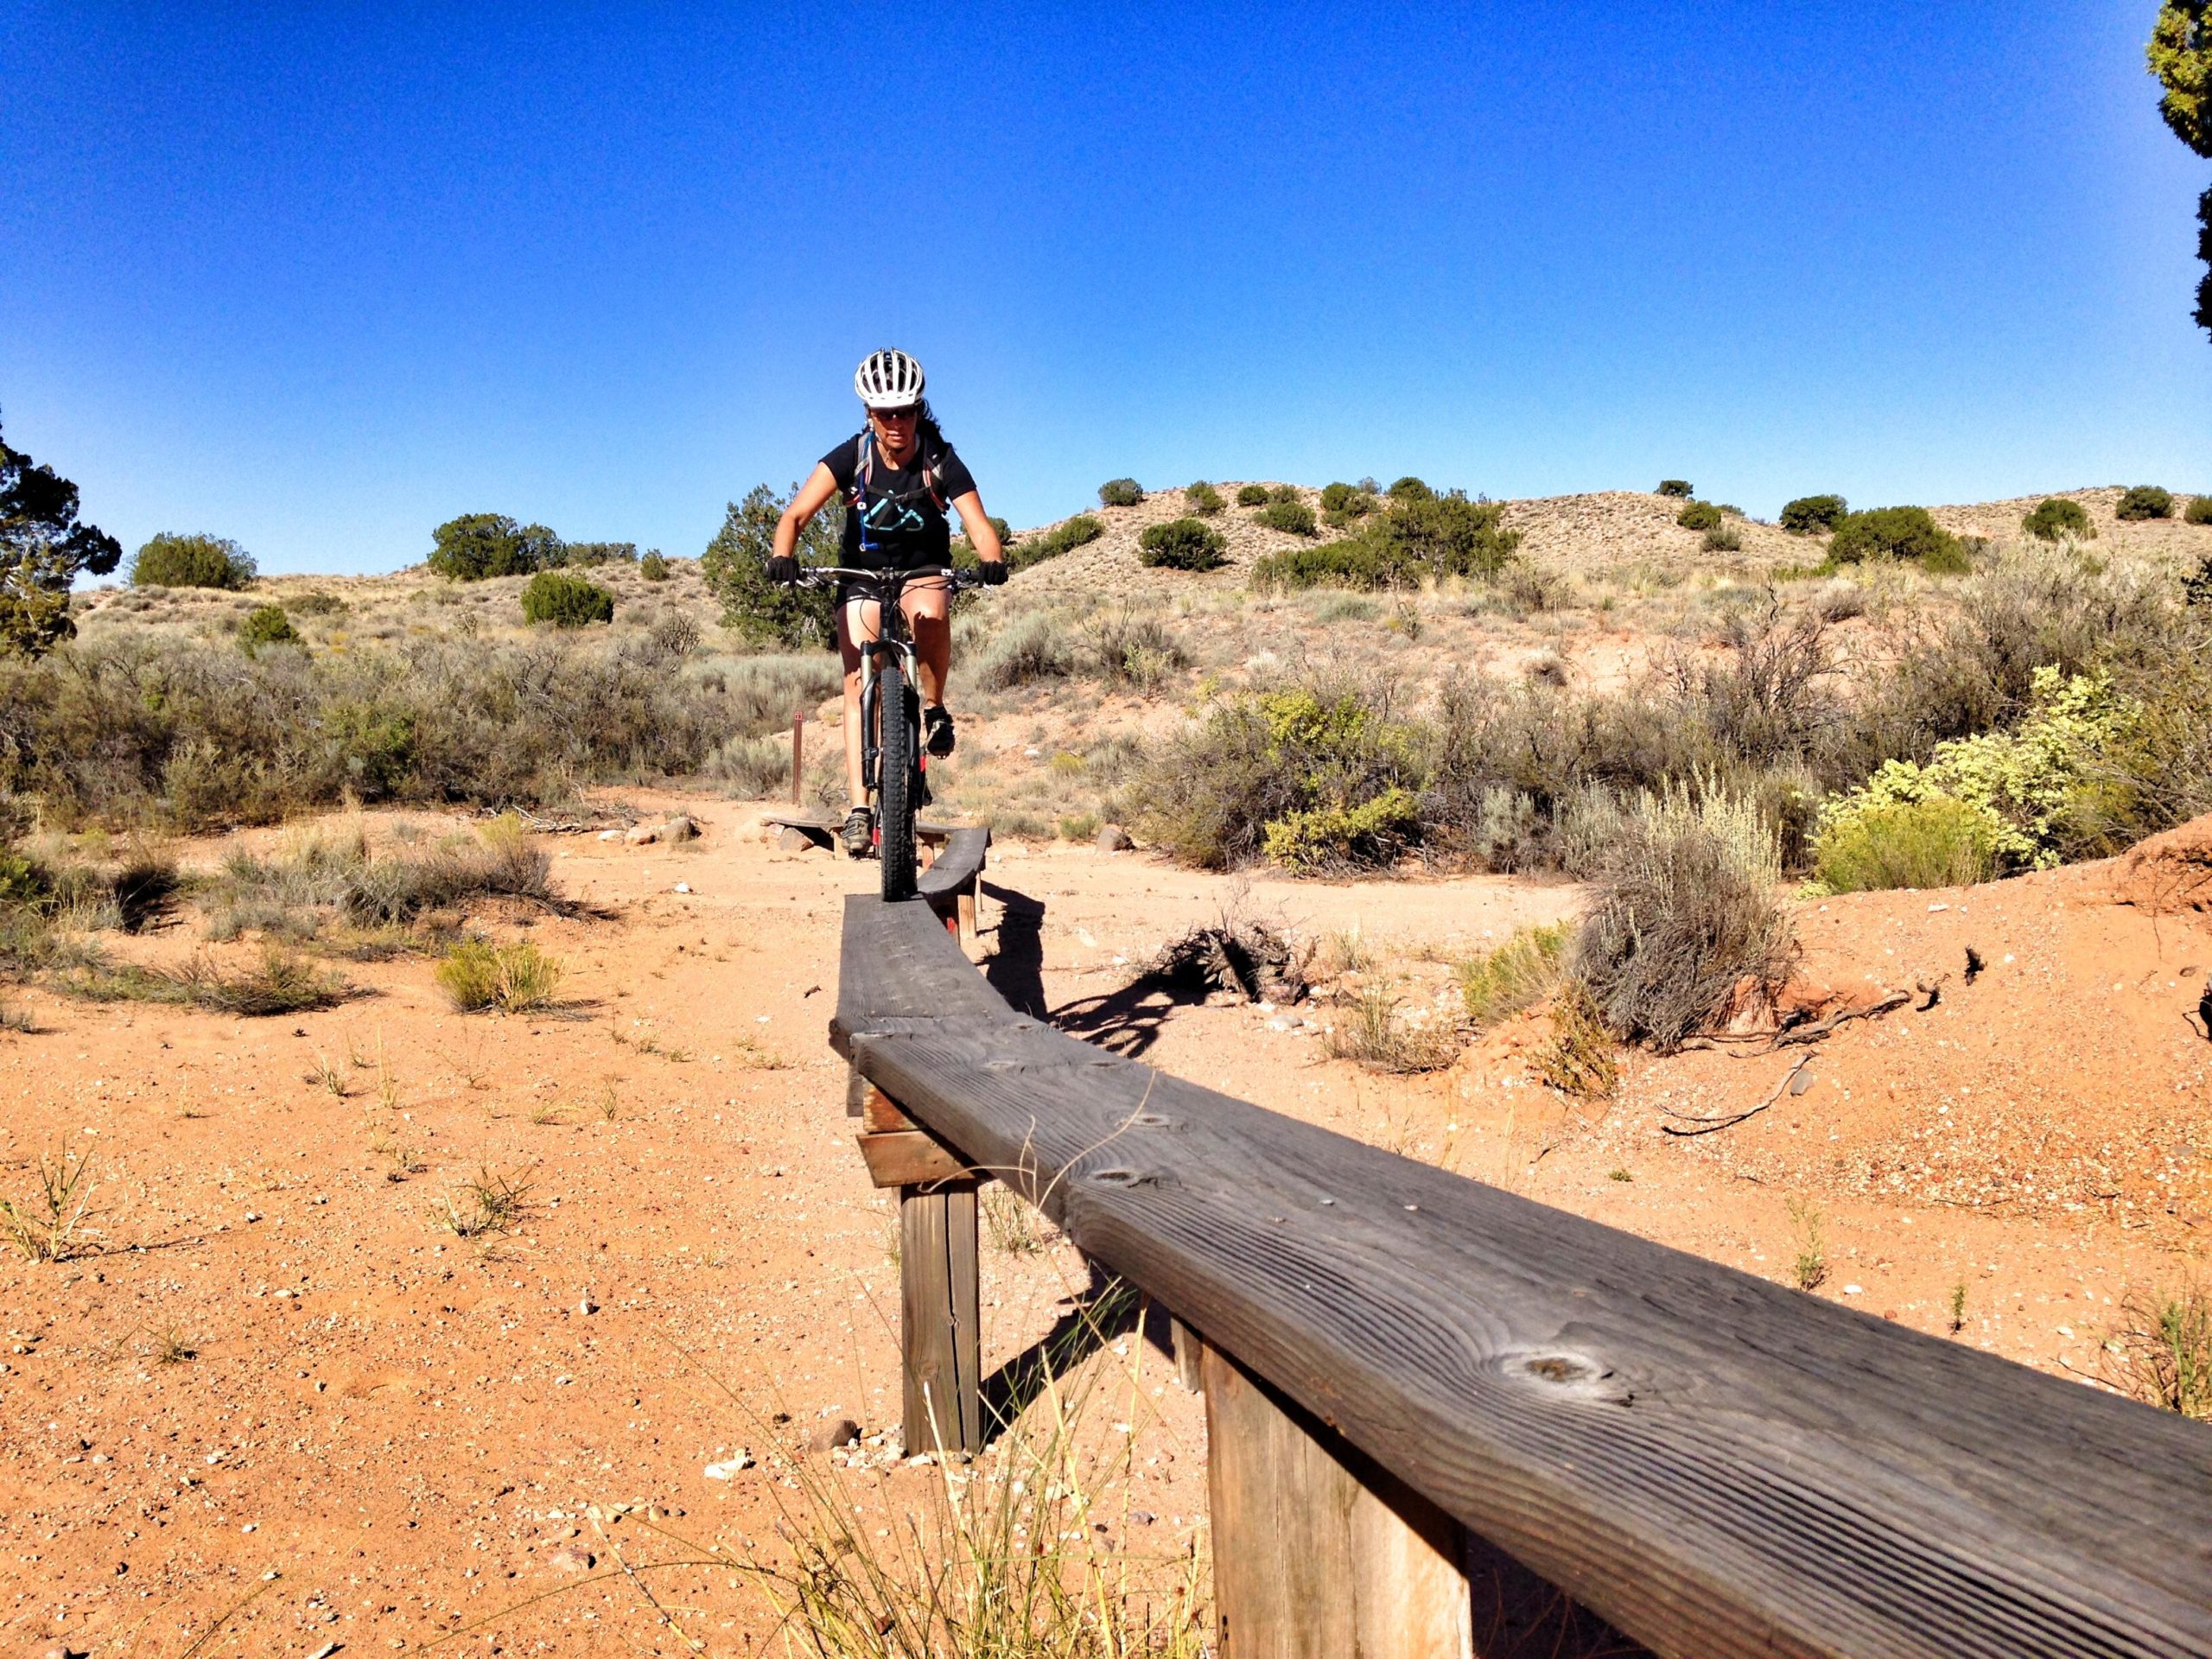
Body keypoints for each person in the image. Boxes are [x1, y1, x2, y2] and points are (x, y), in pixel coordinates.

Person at [768, 349, 1007, 855]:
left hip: (923, 569)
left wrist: (991, 559)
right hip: (860, 574)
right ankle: (859, 808)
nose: (897, 422)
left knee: (931, 611)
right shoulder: (851, 457)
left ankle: (936, 708)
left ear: (919, 409)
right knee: (857, 678)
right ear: (869, 415)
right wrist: (782, 556)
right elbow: (793, 517)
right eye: (885, 413)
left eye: (906, 411)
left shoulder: (939, 459)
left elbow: (979, 526)